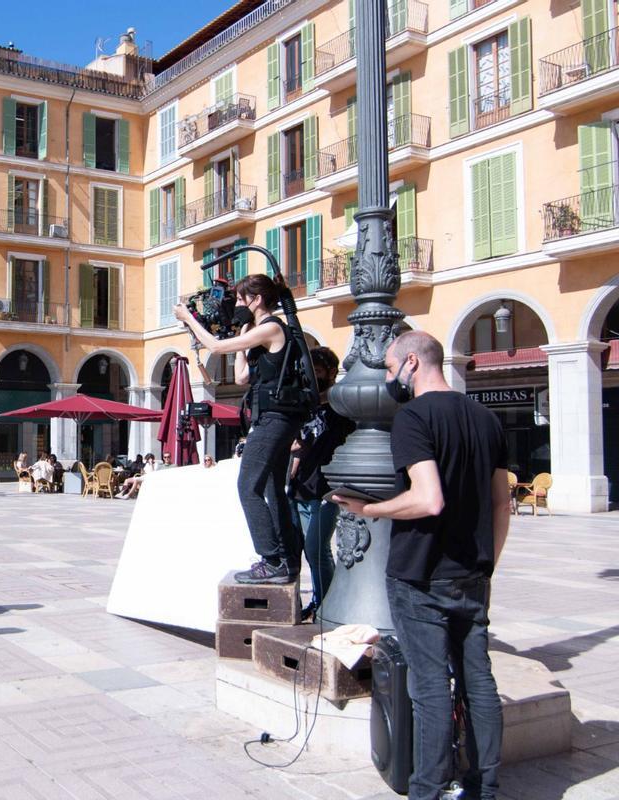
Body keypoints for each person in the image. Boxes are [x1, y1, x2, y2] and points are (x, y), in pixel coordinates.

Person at [332, 331, 509, 800]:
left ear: (412, 362)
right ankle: (484, 787)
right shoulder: (486, 419)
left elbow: (428, 500)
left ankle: (427, 790)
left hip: (421, 575)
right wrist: (487, 564)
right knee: (478, 682)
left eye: (391, 369)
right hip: (472, 574)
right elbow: (501, 503)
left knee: (430, 689)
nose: (391, 378)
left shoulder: (412, 417)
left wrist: (368, 509)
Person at [174, 273, 305, 585]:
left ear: (257, 300)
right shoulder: (259, 331)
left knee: (248, 488)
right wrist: (244, 330)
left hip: (274, 419)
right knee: (272, 489)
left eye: (243, 299)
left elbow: (216, 347)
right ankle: (287, 560)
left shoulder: (273, 327)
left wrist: (189, 320)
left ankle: (271, 559)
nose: (238, 304)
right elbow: (241, 376)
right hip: (272, 418)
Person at [288, 347, 355, 620]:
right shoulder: (305, 406)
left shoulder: (341, 404)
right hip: (302, 486)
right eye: (309, 370)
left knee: (317, 548)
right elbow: (300, 445)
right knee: (311, 550)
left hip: (327, 487)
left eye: (317, 370)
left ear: (331, 371)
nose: (312, 376)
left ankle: (329, 604)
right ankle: (320, 601)